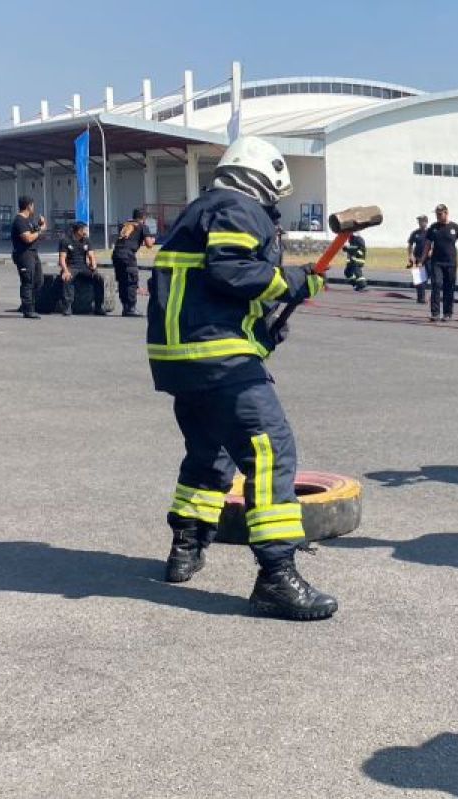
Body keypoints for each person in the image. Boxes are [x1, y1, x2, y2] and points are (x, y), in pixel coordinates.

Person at [146, 135, 336, 621]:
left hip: (183, 360)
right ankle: (276, 577)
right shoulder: (238, 207)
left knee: (211, 452)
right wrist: (296, 281)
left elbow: (210, 288)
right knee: (272, 450)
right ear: (264, 178)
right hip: (219, 356)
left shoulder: (199, 212)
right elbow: (231, 269)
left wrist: (263, 330)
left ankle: (185, 548)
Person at [422, 203, 458, 322]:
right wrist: (422, 259)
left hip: (451, 263)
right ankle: (435, 313)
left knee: (449, 288)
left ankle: (447, 313)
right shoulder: (433, 228)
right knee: (436, 284)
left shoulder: (454, 227)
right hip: (436, 262)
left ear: (446, 213)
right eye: (436, 214)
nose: (437, 216)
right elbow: (427, 245)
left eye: (439, 214)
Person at [112, 208, 156, 317]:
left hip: (116, 254)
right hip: (127, 255)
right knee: (131, 281)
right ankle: (131, 308)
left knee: (122, 281)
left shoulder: (126, 225)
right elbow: (149, 244)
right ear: (143, 218)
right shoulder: (142, 226)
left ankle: (125, 307)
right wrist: (153, 239)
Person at [57, 221, 106, 315]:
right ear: (78, 230)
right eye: (84, 229)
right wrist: (66, 271)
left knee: (99, 278)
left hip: (84, 267)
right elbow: (62, 259)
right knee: (67, 278)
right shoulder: (66, 241)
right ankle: (67, 307)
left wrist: (94, 267)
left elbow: (91, 255)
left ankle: (98, 307)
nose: (86, 231)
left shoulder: (86, 240)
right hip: (71, 266)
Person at [10, 196, 46, 319]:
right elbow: (27, 238)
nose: (34, 208)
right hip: (24, 255)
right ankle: (28, 310)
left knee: (39, 281)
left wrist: (39, 226)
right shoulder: (19, 220)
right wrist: (40, 230)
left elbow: (34, 234)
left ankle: (27, 304)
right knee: (27, 281)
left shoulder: (29, 221)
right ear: (29, 206)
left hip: (33, 254)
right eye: (33, 205)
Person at [407, 215, 430, 304]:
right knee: (419, 279)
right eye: (419, 221)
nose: (420, 223)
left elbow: (435, 243)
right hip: (418, 258)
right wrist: (410, 256)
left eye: (422, 221)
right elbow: (410, 245)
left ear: (426, 222)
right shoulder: (415, 233)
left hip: (428, 259)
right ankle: (420, 298)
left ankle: (423, 296)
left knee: (425, 278)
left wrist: (432, 251)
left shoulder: (430, 232)